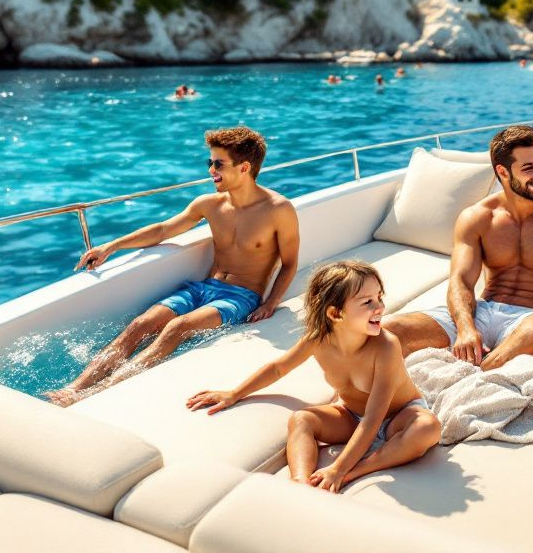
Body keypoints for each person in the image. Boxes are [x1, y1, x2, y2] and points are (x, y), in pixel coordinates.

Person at [47, 127, 300, 406]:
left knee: (176, 328)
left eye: (218, 164)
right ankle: (73, 388)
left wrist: (270, 303)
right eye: (209, 163)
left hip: (241, 296)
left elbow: (289, 263)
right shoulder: (210, 204)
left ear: (244, 168)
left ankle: (97, 393)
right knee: (140, 324)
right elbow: (164, 230)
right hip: (204, 288)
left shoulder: (278, 209)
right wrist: (111, 246)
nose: (211, 170)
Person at [188, 260, 441, 492]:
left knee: (428, 427)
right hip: (352, 416)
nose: (380, 307)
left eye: (379, 297)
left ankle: (359, 469)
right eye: (368, 302)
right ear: (334, 314)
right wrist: (235, 393)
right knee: (302, 420)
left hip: (398, 416)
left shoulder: (386, 346)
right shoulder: (318, 340)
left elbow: (374, 418)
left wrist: (338, 468)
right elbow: (279, 368)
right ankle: (300, 484)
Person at [383, 125, 533, 371]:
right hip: (482, 311)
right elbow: (461, 281)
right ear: (503, 172)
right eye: (529, 168)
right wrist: (466, 328)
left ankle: (474, 376)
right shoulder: (478, 217)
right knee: (390, 330)